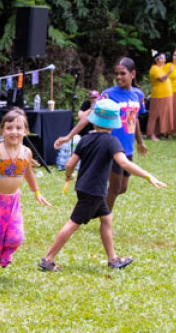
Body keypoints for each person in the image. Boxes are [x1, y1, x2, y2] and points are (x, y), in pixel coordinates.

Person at [39, 99, 166, 272]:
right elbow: (124, 163)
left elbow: (70, 164)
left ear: (93, 120)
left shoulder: (84, 140)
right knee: (73, 224)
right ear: (113, 124)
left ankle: (113, 259)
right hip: (94, 191)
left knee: (106, 219)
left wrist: (69, 176)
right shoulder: (111, 141)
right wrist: (147, 176)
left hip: (84, 187)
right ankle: (48, 259)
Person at [54, 57, 148, 211]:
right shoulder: (108, 94)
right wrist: (68, 137)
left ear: (133, 74)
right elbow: (89, 115)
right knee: (115, 187)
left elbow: (134, 119)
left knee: (123, 188)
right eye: (116, 73)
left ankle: (94, 206)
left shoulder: (138, 95)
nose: (118, 77)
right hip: (112, 148)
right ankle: (105, 220)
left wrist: (140, 141)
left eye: (122, 73)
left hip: (128, 149)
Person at [0, 108, 51, 278]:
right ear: (2, 130)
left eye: (18, 128)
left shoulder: (26, 152)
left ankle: (2, 256)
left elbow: (28, 173)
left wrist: (36, 192)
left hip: (12, 202)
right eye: (9, 128)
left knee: (16, 237)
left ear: (26, 131)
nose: (14, 132)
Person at [146, 51, 174, 140]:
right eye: (162, 57)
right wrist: (169, 72)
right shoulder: (154, 68)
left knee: (164, 114)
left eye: (164, 57)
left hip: (167, 94)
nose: (164, 59)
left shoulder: (163, 68)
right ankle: (151, 133)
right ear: (157, 60)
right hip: (158, 95)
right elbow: (161, 79)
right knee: (155, 114)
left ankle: (160, 132)